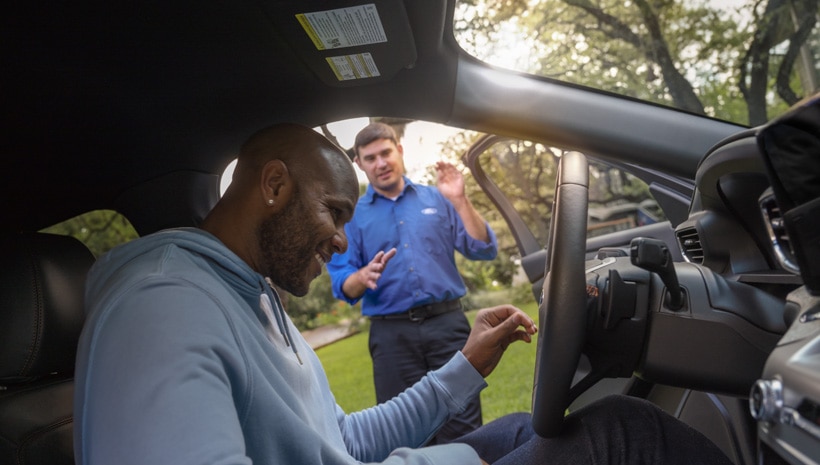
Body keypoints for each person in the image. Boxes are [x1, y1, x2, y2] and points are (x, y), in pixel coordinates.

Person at [73, 123, 734, 465]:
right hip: (392, 332)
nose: (340, 240)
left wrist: (465, 366)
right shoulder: (163, 299)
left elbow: (345, 441)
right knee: (625, 433)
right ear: (273, 185)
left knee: (537, 426)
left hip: (442, 329)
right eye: (333, 212)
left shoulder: (250, 294)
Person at [326, 122, 496, 443]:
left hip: (449, 326)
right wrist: (361, 277)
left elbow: (483, 249)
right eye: (370, 158)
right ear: (360, 164)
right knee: (405, 434)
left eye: (386, 153)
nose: (381, 163)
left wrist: (459, 200)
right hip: (391, 337)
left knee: (465, 428)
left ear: (399, 151)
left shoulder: (439, 199)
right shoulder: (352, 217)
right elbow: (342, 283)